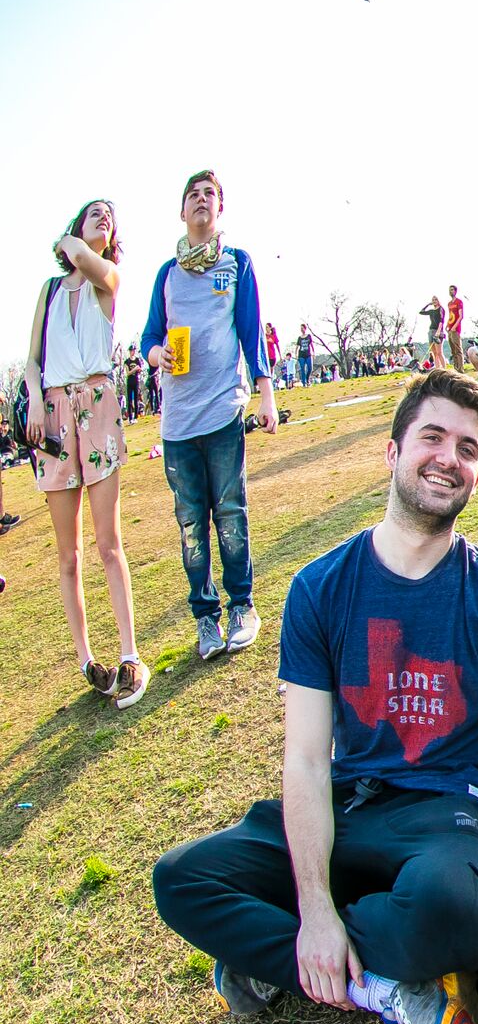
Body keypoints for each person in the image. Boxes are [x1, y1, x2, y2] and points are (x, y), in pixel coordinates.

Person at [153, 370, 478, 1024]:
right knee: (182, 879)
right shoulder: (319, 587)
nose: (448, 457)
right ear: (393, 449)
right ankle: (391, 987)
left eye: (468, 447)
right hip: (349, 803)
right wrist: (312, 909)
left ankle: (283, 951)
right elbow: (306, 759)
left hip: (448, 813)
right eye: (432, 437)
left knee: (454, 913)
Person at [139, 170, 276, 661]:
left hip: (222, 412)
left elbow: (251, 331)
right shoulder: (166, 275)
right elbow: (148, 338)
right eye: (193, 195)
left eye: (210, 195)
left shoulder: (237, 264)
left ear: (220, 209)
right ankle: (206, 619)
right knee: (191, 524)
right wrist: (157, 357)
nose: (201, 200)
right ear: (182, 211)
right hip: (177, 423)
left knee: (231, 514)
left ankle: (242, 607)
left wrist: (265, 395)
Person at [26, 199, 147, 707]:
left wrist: (70, 241)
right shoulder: (50, 290)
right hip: (53, 412)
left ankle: (130, 655)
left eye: (110, 216)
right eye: (93, 212)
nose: (104, 218)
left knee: (107, 543)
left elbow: (83, 255)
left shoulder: (107, 279)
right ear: (77, 224)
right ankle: (86, 660)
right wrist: (34, 397)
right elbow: (32, 360)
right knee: (68, 554)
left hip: (96, 405)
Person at [443, 286, 465, 367]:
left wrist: (455, 326)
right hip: (450, 327)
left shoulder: (459, 302)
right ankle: (456, 367)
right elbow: (450, 315)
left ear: (455, 291)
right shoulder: (449, 303)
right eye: (449, 290)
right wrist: (447, 325)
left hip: (456, 328)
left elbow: (460, 316)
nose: (450, 291)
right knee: (453, 350)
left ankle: (460, 368)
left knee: (458, 349)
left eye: (452, 290)